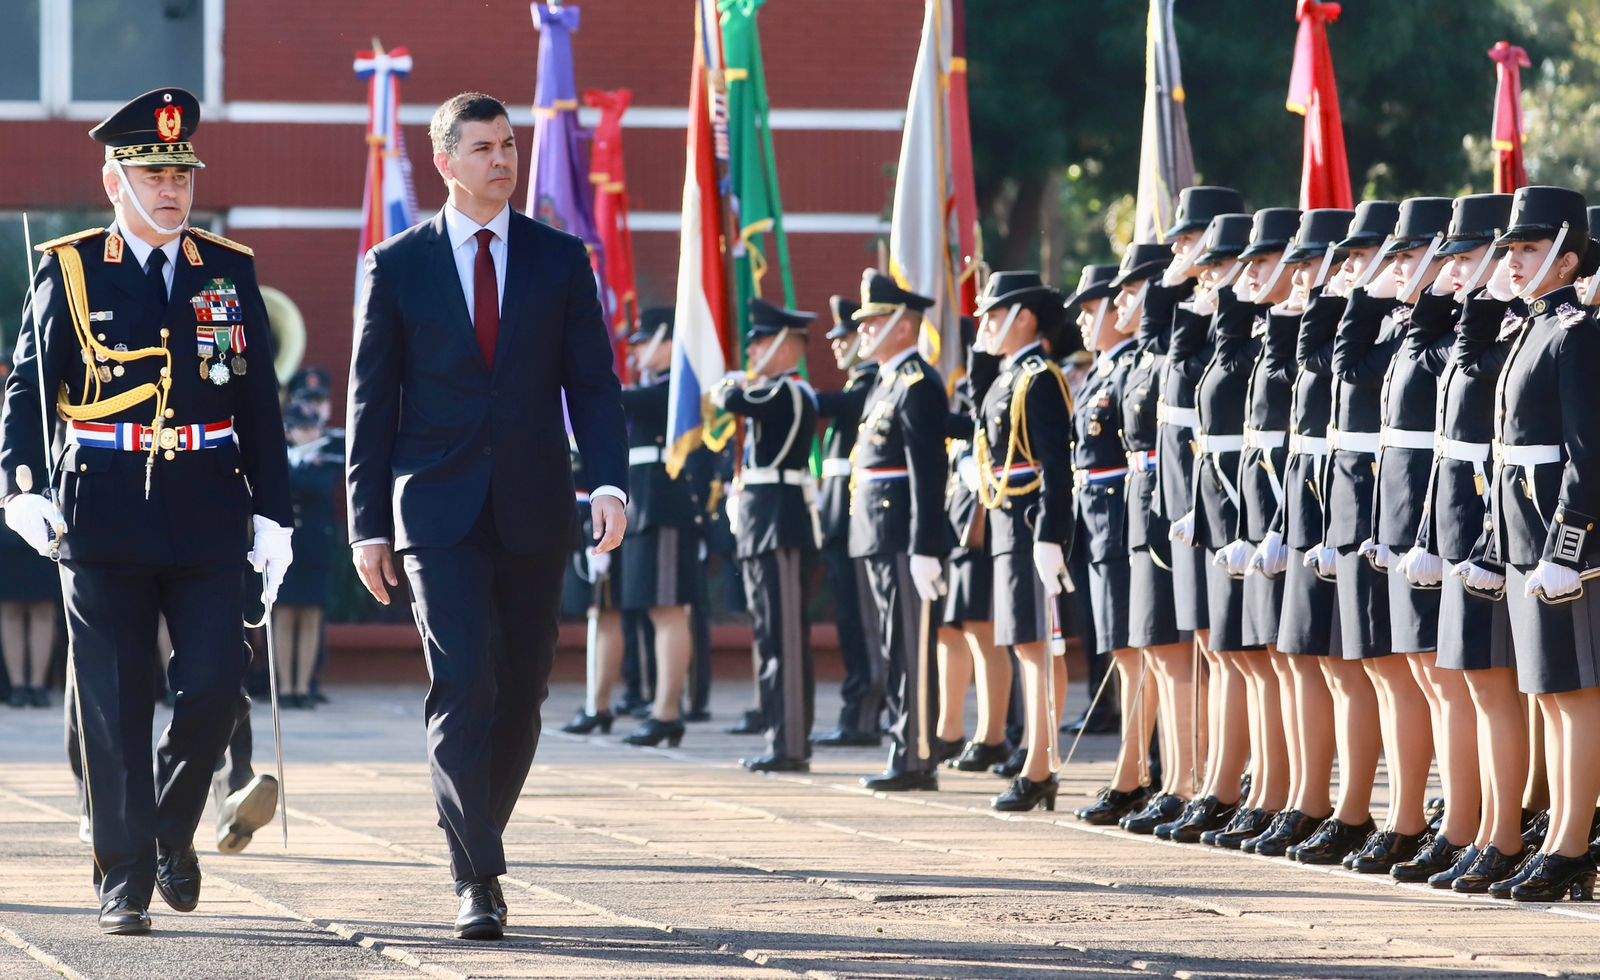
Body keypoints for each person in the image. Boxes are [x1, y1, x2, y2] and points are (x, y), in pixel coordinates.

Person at [0, 88, 294, 935]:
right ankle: (123, 877)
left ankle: (169, 828)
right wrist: (21, 487)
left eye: (181, 172)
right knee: (116, 703)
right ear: (114, 178)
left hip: (209, 507)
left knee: (212, 682)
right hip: (103, 513)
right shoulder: (70, 266)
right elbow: (28, 390)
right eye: (153, 171)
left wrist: (275, 519)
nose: (172, 187)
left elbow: (260, 406)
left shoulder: (226, 269)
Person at [346, 92, 627, 940]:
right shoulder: (397, 265)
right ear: (444, 161)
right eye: (482, 148)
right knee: (463, 679)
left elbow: (595, 383)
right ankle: (478, 876)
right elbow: (371, 404)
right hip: (435, 509)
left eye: (509, 145)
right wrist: (367, 523)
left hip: (537, 504)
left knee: (524, 694)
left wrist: (609, 482)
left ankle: (474, 830)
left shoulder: (559, 258)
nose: (502, 160)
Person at [1397, 192, 1524, 890]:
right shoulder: (1469, 326)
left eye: (1467, 257)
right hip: (1449, 526)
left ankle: (1502, 832)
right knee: (1463, 685)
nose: (1451, 271)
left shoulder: (1516, 332)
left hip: (1495, 532)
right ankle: (1467, 827)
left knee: (1493, 687)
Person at [1480, 186, 1600, 901]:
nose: (1515, 260)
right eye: (1512, 248)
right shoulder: (1533, 327)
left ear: (1566, 256)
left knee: (1576, 695)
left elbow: (1588, 454)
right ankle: (1558, 831)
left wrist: (1567, 544)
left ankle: (1571, 843)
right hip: (1526, 534)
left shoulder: (1577, 335)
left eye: (1529, 247)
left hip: (1564, 541)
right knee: (1549, 694)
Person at [1288, 201, 1400, 866]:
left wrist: (1356, 292)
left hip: (1382, 506)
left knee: (1383, 671)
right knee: (1330, 663)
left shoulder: (1406, 324)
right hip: (1332, 500)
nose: (1347, 271)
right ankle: (1323, 802)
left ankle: (1379, 810)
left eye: (1364, 257)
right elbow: (1316, 362)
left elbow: (1346, 369)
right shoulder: (1361, 319)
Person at [1242, 206, 1352, 857]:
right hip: (1294, 510)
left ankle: (1334, 803)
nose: (1284, 276)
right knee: (1293, 663)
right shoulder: (1291, 328)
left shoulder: (1343, 330)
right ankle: (1297, 798)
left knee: (1344, 669)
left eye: (1305, 263)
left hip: (1338, 512)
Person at [1203, 206, 1301, 850]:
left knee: (1280, 662)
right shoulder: (1256, 333)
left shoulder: (1292, 335)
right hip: (1247, 513)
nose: (1236, 278)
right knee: (1247, 658)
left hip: (1292, 517)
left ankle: (1287, 793)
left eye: (1260, 264)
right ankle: (1264, 790)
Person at [969, 271, 1075, 812]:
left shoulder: (1039, 377)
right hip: (1008, 520)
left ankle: (1039, 767)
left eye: (994, 314)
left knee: (1037, 647)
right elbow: (978, 417)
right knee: (1025, 646)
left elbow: (1056, 464)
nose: (984, 324)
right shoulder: (1008, 374)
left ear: (1025, 317)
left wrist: (1052, 534)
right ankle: (1038, 757)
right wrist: (980, 357)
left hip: (1032, 521)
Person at [846, 270, 951, 791]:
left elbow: (928, 472)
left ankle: (915, 754)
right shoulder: (885, 382)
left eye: (875, 322)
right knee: (893, 646)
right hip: (876, 531)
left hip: (902, 534)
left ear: (905, 327)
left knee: (909, 646)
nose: (864, 332)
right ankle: (902, 743)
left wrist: (924, 546)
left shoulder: (917, 385)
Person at [711, 299, 820, 773]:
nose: (753, 353)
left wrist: (727, 386)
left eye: (760, 343)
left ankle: (791, 742)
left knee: (785, 637)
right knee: (767, 635)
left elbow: (734, 400)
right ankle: (779, 734)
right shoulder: (771, 390)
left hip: (781, 521)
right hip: (761, 521)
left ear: (785, 345)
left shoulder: (792, 392)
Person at [615, 308, 702, 748]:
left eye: (645, 340)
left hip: (664, 508)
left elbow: (624, 399)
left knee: (668, 609)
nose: (634, 350)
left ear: (668, 341)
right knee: (654, 609)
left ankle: (668, 711)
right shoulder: (654, 389)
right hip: (644, 509)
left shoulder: (676, 389)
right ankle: (661, 706)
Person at [813, 294, 885, 748]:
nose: (838, 345)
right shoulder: (859, 382)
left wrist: (795, 394)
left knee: (865, 624)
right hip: (841, 522)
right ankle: (857, 710)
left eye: (847, 336)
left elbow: (838, 406)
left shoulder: (872, 382)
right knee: (850, 625)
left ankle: (868, 712)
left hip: (860, 521)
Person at [275, 402, 341, 707]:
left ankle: (303, 686)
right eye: (302, 428)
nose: (309, 433)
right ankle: (285, 687)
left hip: (315, 548)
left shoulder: (325, 459)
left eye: (313, 427)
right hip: (287, 547)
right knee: (285, 616)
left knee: (312, 616)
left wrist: (296, 465)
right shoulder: (281, 459)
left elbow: (321, 487)